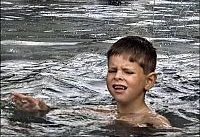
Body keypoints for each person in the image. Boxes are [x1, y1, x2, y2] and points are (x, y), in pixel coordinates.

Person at [11, 36, 171, 128]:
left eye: (128, 72)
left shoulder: (153, 122)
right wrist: (42, 109)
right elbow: (65, 112)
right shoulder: (105, 112)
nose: (118, 76)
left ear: (149, 81)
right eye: (112, 70)